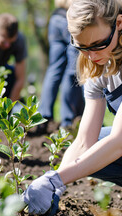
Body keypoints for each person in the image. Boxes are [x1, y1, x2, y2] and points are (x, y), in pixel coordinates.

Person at [22, 0, 122, 216]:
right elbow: (84, 142)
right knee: (91, 152)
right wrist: (52, 184)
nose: (90, 56)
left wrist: (57, 180)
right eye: (82, 47)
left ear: (118, 23)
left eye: (98, 44)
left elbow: (121, 140)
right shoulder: (98, 61)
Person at [38, 0, 84, 130]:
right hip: (70, 19)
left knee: (54, 70)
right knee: (73, 71)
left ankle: (43, 117)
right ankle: (68, 119)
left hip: (56, 18)